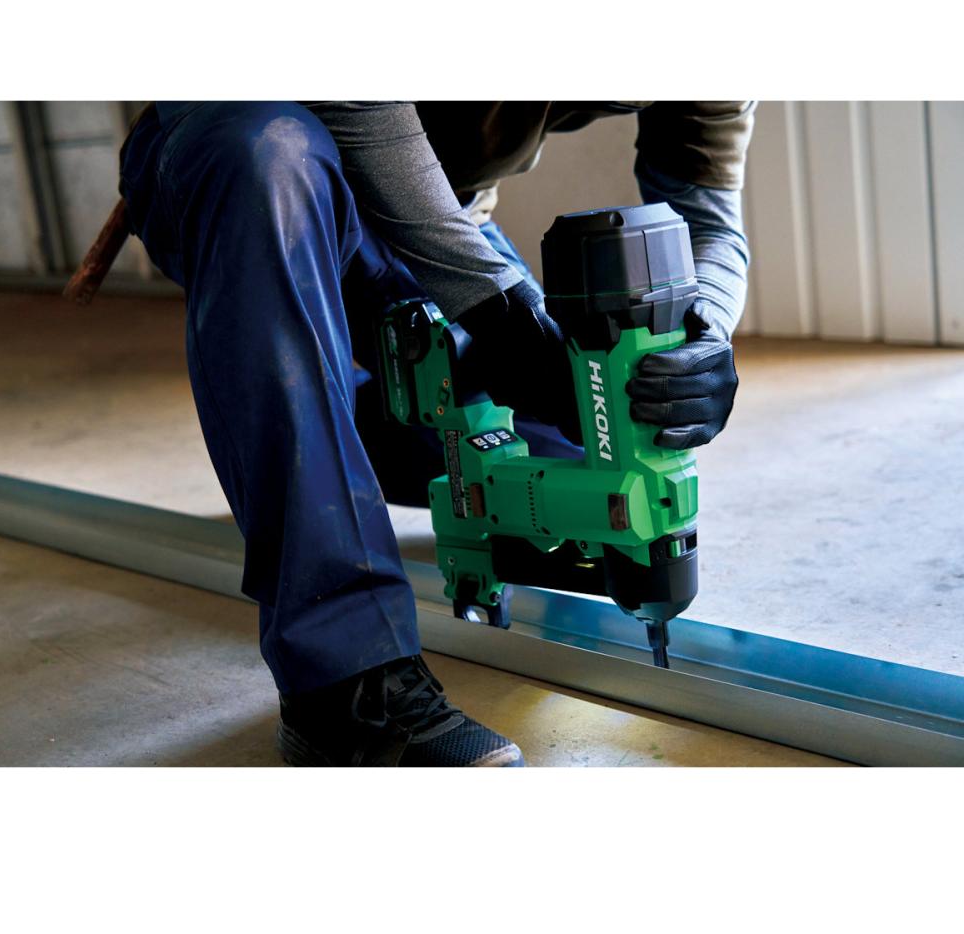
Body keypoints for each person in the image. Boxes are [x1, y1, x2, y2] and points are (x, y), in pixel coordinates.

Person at [118, 101, 754, 767]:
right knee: (269, 150)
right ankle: (343, 681)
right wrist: (498, 307)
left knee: (572, 450)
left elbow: (710, 219)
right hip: (253, 153)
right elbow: (354, 110)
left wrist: (705, 329)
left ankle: (312, 433)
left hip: (446, 209)